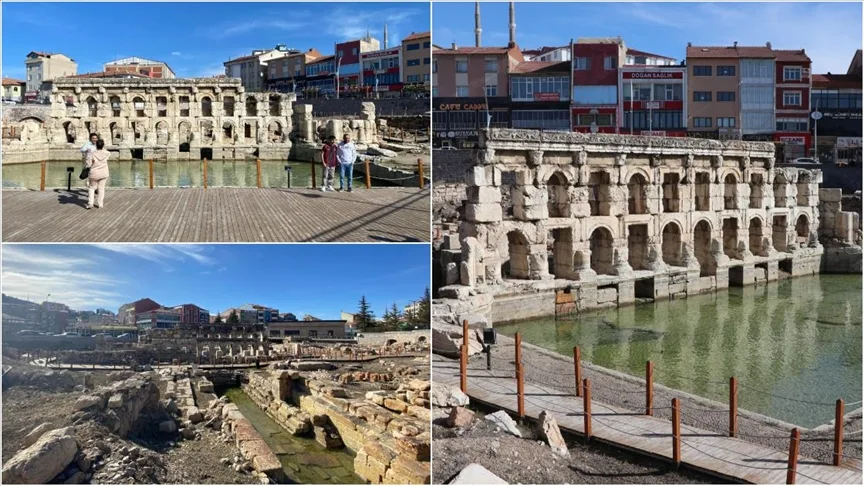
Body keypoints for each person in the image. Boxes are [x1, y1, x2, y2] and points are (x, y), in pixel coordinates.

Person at [85, 139, 110, 209]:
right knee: (101, 189)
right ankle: (100, 204)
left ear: (96, 145)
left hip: (94, 173)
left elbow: (88, 164)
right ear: (103, 145)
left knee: (91, 188)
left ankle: (90, 203)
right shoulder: (107, 153)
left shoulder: (92, 154)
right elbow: (105, 151)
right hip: (104, 173)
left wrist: (87, 155)